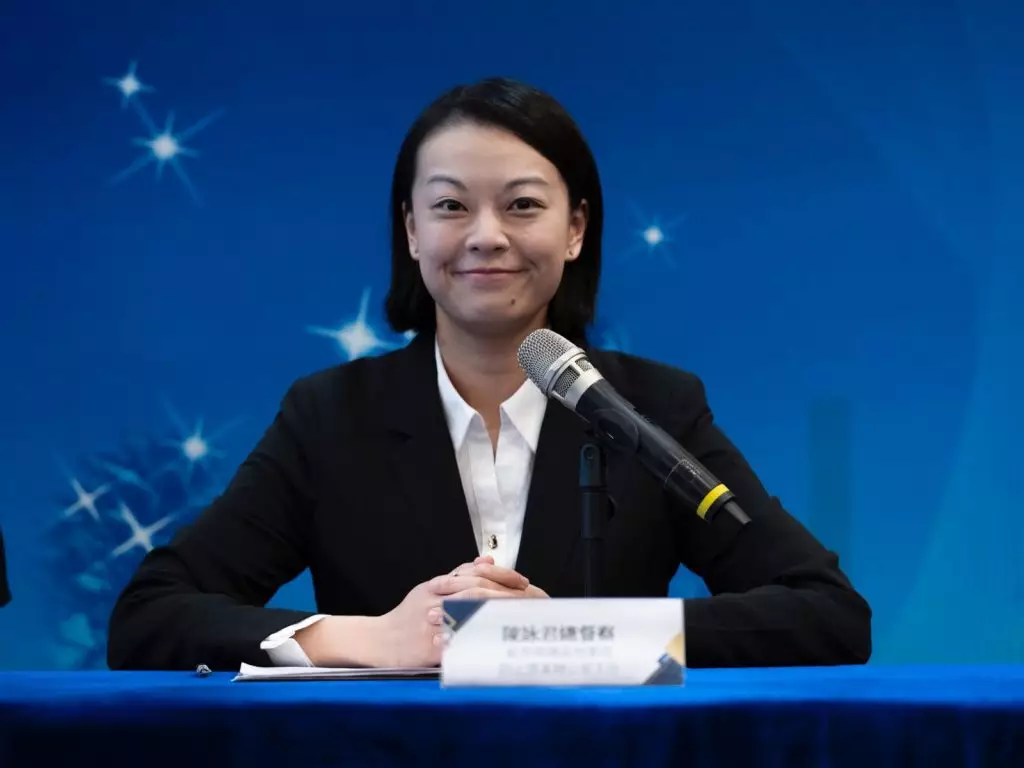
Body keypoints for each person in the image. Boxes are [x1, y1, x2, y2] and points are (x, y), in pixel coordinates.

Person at [107, 77, 871, 671]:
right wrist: (371, 638)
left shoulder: (652, 406)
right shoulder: (332, 415)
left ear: (575, 229)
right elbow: (149, 617)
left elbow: (828, 615)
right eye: (450, 206)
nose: (486, 236)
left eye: (522, 205)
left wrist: (573, 637)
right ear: (411, 230)